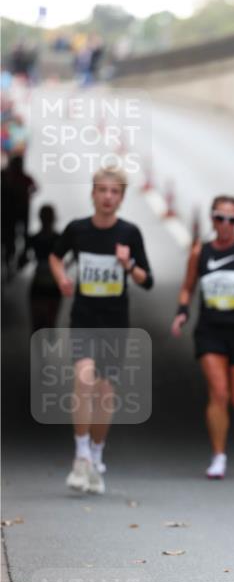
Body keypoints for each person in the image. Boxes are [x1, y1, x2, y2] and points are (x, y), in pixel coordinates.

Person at [49, 164, 153, 494]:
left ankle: (96, 455)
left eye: (114, 192)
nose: (108, 197)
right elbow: (55, 256)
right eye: (102, 190)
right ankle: (80, 455)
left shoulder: (129, 233)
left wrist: (129, 265)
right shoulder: (77, 229)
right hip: (83, 317)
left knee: (106, 394)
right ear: (93, 194)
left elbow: (146, 280)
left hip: (114, 322)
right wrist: (62, 278)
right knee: (83, 377)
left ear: (121, 198)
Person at [172, 196, 234, 479]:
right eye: (220, 218)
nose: (225, 225)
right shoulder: (201, 252)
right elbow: (187, 287)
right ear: (212, 219)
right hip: (210, 330)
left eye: (231, 220)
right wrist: (182, 312)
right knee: (218, 393)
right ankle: (218, 456)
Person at [19, 204, 62, 332]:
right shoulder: (58, 239)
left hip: (42, 286)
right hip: (50, 286)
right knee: (47, 326)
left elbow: (21, 262)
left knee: (41, 326)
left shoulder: (34, 239)